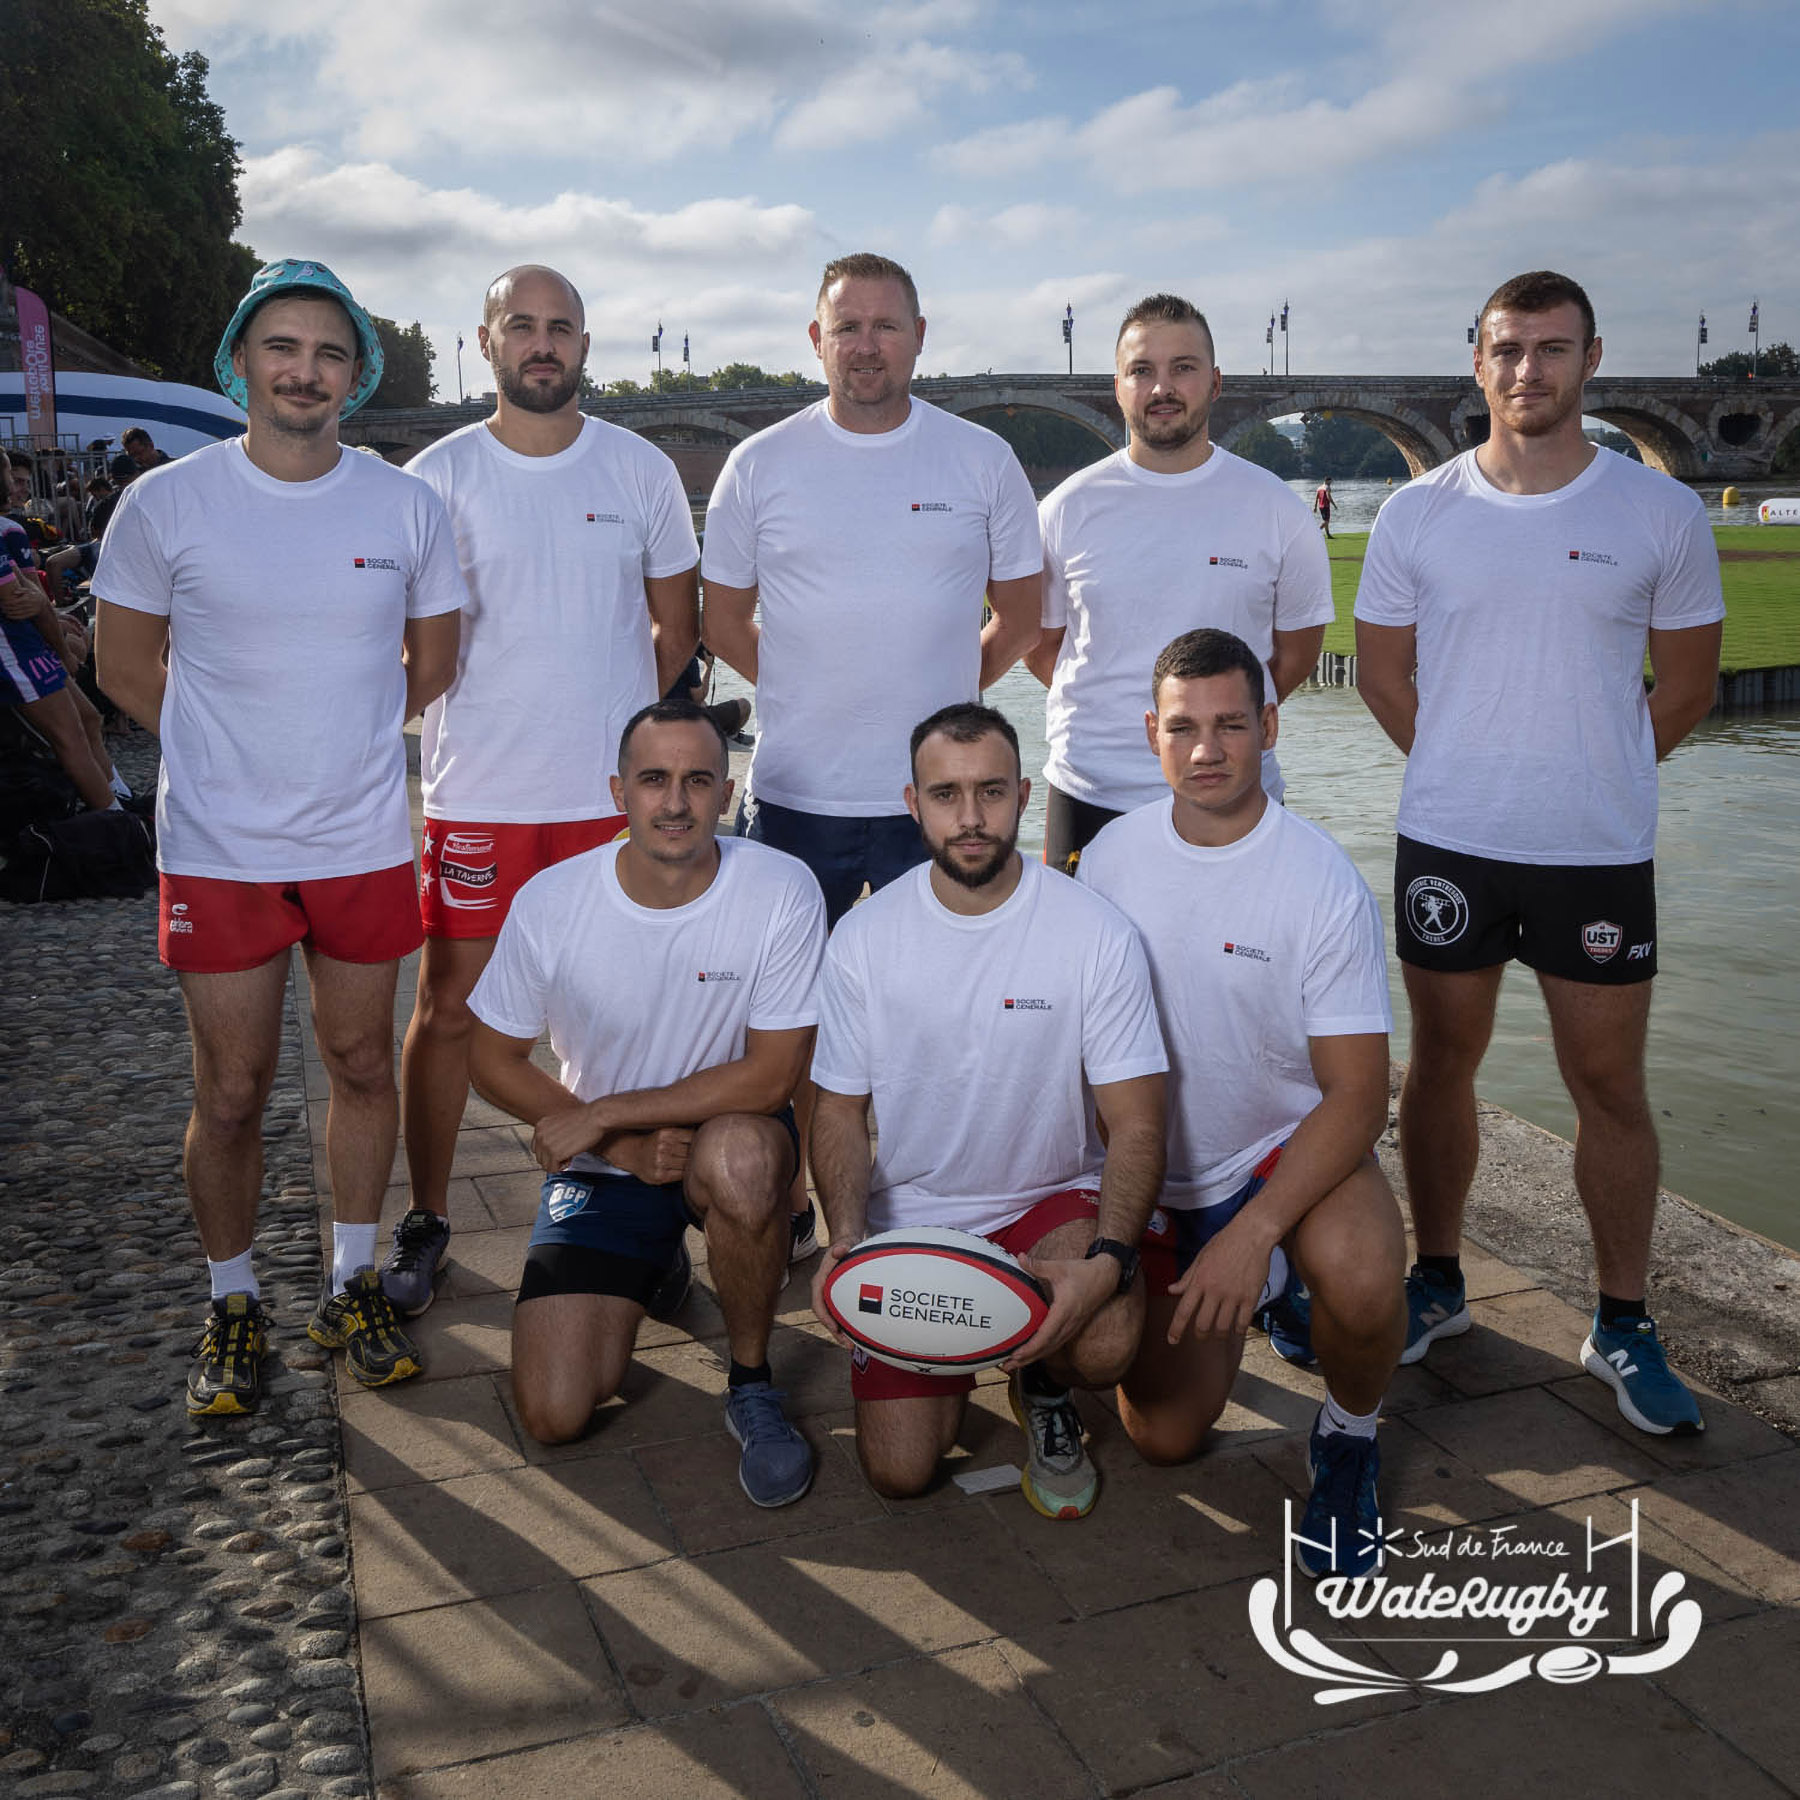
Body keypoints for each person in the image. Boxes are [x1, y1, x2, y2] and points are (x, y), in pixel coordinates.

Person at [1354, 270, 1724, 1436]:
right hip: (1452, 844)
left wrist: (1591, 770)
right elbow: (1381, 676)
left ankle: (1621, 1318)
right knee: (1442, 1066)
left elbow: (1692, 686)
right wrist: (1474, 766)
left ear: (1591, 359)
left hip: (1596, 854)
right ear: (1478, 363)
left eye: (1551, 350)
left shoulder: (1658, 512)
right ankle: (1441, 1282)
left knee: (1608, 1085)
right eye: (1508, 350)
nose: (1529, 371)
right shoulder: (1419, 512)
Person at [93, 257, 466, 1415]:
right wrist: (229, 751)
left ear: (357, 376)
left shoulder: (407, 505)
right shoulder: (166, 502)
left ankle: (351, 1279)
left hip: (359, 838)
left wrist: (335, 739)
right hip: (219, 847)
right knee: (238, 1089)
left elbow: (435, 665)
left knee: (360, 1065)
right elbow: (119, 667)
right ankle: (234, 1298)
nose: (306, 371)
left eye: (330, 353)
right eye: (283, 348)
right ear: (242, 361)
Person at [391, 264, 700, 1318]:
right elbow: (411, 645)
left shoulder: (642, 469)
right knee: (451, 1015)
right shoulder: (433, 480)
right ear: (484, 342)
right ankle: (429, 1217)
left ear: (583, 344)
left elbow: (678, 633)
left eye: (560, 328)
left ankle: (633, 1214)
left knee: (626, 1011)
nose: (541, 344)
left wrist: (622, 751)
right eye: (520, 325)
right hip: (479, 797)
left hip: (605, 802)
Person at [1077, 629, 1406, 1576]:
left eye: (1230, 724)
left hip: (1276, 1157)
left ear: (1268, 725)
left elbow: (1358, 1097)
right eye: (1183, 728)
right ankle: (1261, 1289)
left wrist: (1256, 1226)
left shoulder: (1320, 881)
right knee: (1164, 1439)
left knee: (1359, 1265)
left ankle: (1348, 1433)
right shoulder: (1108, 862)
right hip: (1157, 1177)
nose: (1207, 749)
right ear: (1151, 734)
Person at [808, 703, 1168, 1517]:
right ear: (913, 802)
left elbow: (1140, 1122)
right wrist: (845, 1240)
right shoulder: (865, 938)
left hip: (1047, 1206)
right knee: (900, 1472)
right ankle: (970, 1349)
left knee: (1107, 1340)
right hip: (914, 1220)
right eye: (946, 795)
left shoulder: (1094, 932)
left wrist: (1107, 1263)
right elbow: (835, 1114)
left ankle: (1043, 1384)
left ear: (1025, 795)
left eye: (991, 792)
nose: (970, 818)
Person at [467, 700, 824, 1506]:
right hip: (611, 1164)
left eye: (698, 781)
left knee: (740, 1158)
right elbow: (488, 1057)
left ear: (726, 794)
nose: (675, 802)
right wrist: (614, 1141)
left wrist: (602, 1112)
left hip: (726, 1136)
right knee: (555, 1412)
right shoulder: (554, 902)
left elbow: (772, 1076)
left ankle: (752, 1383)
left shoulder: (780, 888)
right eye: (654, 780)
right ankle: (654, 1268)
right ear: (618, 791)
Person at [701, 252, 1044, 926]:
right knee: (781, 1010)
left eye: (885, 326)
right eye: (847, 326)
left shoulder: (983, 460)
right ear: (815, 338)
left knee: (940, 1006)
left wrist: (939, 689)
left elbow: (1023, 619)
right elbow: (723, 624)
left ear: (919, 333)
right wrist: (807, 684)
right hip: (794, 796)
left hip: (941, 799)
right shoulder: (757, 465)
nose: (865, 346)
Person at [1026, 294, 1333, 874]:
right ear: (1117, 387)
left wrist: (1222, 724)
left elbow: (1293, 655)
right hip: (1093, 790)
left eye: (1183, 368)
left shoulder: (1274, 507)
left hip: (1235, 795)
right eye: (1142, 370)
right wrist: (1112, 709)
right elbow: (1043, 647)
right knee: (1084, 963)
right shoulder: (1067, 509)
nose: (1161, 388)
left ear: (1215, 383)